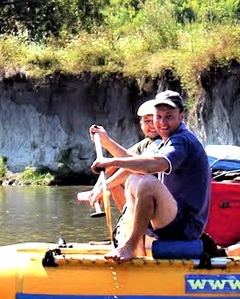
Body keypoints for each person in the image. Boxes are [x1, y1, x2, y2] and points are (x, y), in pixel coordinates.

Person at [91, 90, 211, 262]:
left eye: (169, 116)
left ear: (181, 116)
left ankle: (130, 246)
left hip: (187, 226)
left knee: (147, 183)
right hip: (172, 218)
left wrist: (111, 162)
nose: (162, 122)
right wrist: (106, 142)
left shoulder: (182, 140)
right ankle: (137, 249)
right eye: (158, 116)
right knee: (133, 180)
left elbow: (156, 164)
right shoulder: (167, 140)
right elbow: (136, 162)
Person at [88, 99, 161, 213]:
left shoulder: (162, 142)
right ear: (141, 124)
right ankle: (127, 221)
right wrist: (97, 189)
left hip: (168, 202)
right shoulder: (146, 143)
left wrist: (104, 187)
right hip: (153, 198)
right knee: (114, 181)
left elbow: (134, 167)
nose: (151, 125)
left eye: (154, 120)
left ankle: (137, 224)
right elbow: (118, 162)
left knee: (132, 177)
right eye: (147, 121)